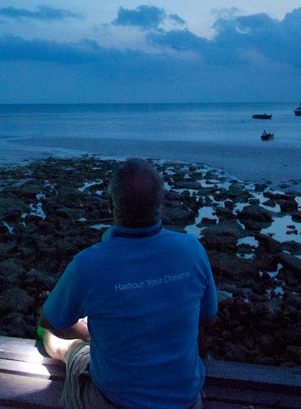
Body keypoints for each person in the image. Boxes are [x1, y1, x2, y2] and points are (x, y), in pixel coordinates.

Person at [38, 158, 217, 408]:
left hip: (115, 401)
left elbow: (51, 321)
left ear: (111, 206)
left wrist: (88, 333)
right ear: (160, 203)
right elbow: (208, 318)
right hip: (186, 400)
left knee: (54, 338)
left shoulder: (89, 264)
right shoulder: (192, 250)